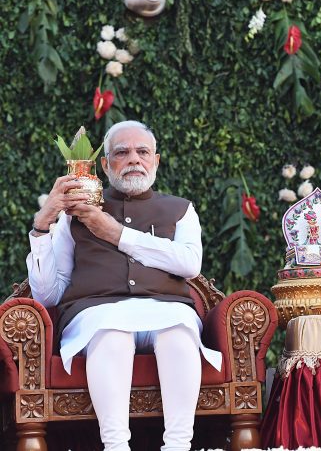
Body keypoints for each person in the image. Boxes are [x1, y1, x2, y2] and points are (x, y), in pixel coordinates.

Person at [26, 120, 222, 451]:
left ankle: (178, 446)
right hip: (96, 314)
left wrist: (115, 233)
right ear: (105, 165)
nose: (134, 159)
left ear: (156, 161)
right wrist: (43, 224)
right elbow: (47, 294)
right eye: (122, 152)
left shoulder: (181, 210)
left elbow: (189, 264)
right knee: (111, 332)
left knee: (179, 330)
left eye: (142, 151)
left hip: (167, 308)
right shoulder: (75, 213)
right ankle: (116, 446)